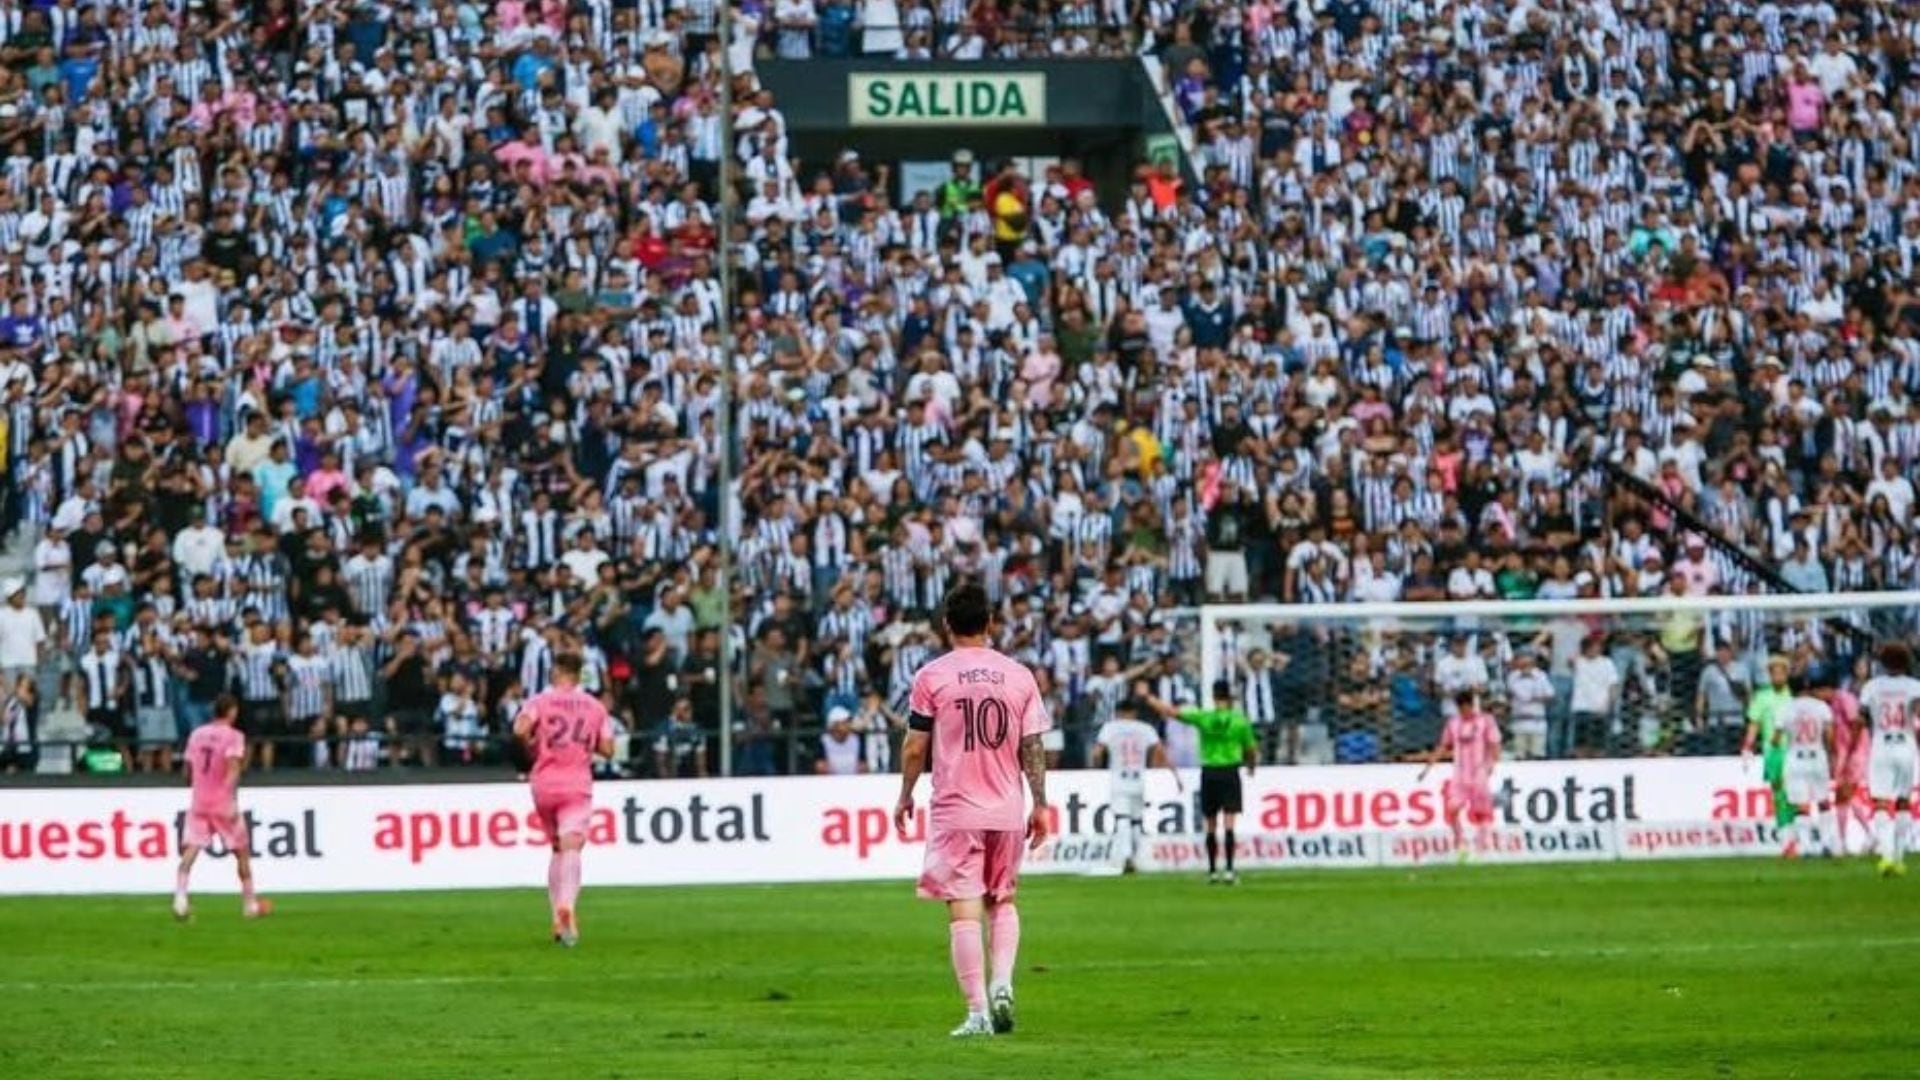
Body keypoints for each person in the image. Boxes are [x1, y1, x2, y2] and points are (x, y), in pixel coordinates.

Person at [893, 581, 1051, 1039]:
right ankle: (1003, 982)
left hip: (956, 809)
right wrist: (1040, 804)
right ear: (991, 623)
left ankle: (979, 1012)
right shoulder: (1019, 675)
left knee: (964, 910)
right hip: (1006, 806)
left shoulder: (932, 676)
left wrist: (905, 793)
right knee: (1002, 899)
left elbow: (915, 745)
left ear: (947, 626)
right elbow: (1033, 745)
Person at [512, 651, 615, 947]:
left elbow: (520, 728)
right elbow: (608, 749)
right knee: (572, 845)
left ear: (557, 671)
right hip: (576, 784)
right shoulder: (595, 707)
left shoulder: (539, 701)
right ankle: (566, 906)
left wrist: (532, 744)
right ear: (579, 674)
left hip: (543, 783)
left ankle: (558, 923)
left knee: (557, 847)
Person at [1138, 678, 1257, 884]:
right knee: (1229, 823)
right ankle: (1229, 870)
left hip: (1209, 772)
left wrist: (1148, 698)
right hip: (1230, 771)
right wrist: (1251, 766)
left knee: (1210, 823)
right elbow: (1251, 749)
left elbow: (1171, 712)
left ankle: (1211, 871)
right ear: (1230, 698)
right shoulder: (1240, 720)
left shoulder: (1204, 717)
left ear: (1214, 697)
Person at [173, 695, 272, 920]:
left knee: (191, 850)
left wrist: (196, 783)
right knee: (242, 854)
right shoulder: (234, 736)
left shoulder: (196, 734)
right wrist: (229, 799)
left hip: (199, 801)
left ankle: (180, 900)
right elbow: (233, 768)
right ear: (232, 712)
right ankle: (249, 905)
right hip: (222, 803)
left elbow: (186, 772)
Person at [1090, 698, 1181, 874]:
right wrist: (1174, 775)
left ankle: (1125, 857)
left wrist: (1096, 764)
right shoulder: (1145, 728)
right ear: (1134, 712)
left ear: (1118, 712)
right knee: (1136, 820)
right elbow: (1160, 751)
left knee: (1122, 818)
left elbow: (1096, 752)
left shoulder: (1110, 728)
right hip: (1139, 780)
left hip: (1119, 779)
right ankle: (1139, 857)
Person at [1857, 643, 1920, 877]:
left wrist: (1853, 746)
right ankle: (1900, 858)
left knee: (1881, 802)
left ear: (1882, 663)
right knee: (1903, 801)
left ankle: (1886, 857)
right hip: (1906, 745)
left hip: (1882, 745)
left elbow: (1860, 719)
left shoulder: (1872, 687)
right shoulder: (1915, 687)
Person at [1419, 690, 1503, 856]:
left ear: (1473, 705)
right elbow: (1444, 745)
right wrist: (1429, 766)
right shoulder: (1453, 723)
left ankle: (1482, 845)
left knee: (1482, 811)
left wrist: (1492, 763)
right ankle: (1460, 840)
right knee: (1452, 808)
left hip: (1479, 771)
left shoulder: (1486, 721)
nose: (1465, 711)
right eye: (1461, 708)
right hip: (1460, 773)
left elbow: (1495, 742)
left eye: (1467, 707)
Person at [1775, 675, 1838, 859]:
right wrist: (1830, 755)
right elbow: (1829, 736)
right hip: (1817, 756)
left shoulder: (1785, 708)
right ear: (1808, 687)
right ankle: (1828, 844)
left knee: (1801, 805)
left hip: (1796, 758)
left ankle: (1808, 847)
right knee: (1823, 801)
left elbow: (1776, 739)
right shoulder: (1821, 707)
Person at [1741, 656, 1798, 854]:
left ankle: (1791, 834)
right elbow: (1754, 724)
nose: (1777, 676)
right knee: (1779, 793)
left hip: (1794, 750)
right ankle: (1786, 838)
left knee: (1793, 794)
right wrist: (1748, 746)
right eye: (1774, 672)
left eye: (1781, 672)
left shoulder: (1793, 697)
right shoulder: (1762, 697)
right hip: (1773, 751)